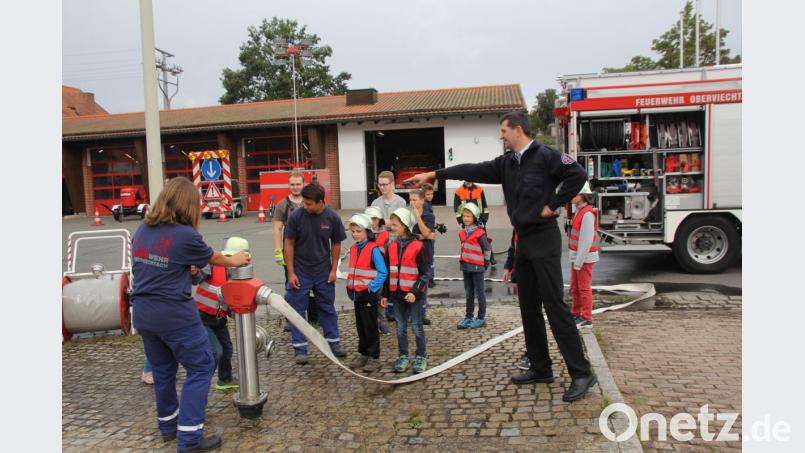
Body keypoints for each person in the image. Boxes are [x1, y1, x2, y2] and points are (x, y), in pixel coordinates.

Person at [403, 111, 597, 403]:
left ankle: (582, 373)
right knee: (528, 307)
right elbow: (472, 169)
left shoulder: (546, 155)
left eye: (504, 131)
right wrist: (434, 175)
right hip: (523, 241)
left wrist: (553, 204)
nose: (501, 135)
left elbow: (578, 175)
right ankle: (541, 367)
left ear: (518, 130)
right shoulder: (506, 163)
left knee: (555, 307)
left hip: (544, 239)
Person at [131, 177, 250, 452]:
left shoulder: (142, 229)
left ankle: (168, 427)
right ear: (189, 206)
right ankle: (189, 438)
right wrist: (235, 259)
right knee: (201, 367)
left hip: (144, 314)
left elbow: (145, 269)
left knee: (163, 371)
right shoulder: (185, 234)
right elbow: (215, 257)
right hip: (174, 314)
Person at [284, 183, 348, 364]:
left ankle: (333, 344)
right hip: (300, 271)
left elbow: (336, 244)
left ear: (321, 202)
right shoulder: (296, 216)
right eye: (304, 202)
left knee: (327, 307)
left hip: (323, 271)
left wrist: (334, 269)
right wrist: (291, 273)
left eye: (309, 203)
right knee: (297, 310)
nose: (305, 206)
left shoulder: (332, 218)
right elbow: (288, 244)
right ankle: (300, 349)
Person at [381, 208, 429, 374]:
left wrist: (414, 292)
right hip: (397, 295)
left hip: (414, 296)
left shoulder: (418, 247)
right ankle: (403, 355)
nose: (392, 228)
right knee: (400, 327)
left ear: (405, 226)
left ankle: (421, 356)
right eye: (392, 224)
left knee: (416, 326)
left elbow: (425, 275)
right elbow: (388, 272)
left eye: (395, 225)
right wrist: (385, 295)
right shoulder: (391, 246)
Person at [272, 171, 318, 327]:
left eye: (298, 184)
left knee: (313, 286)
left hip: (311, 252)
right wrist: (278, 251)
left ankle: (314, 318)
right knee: (292, 285)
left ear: (303, 184)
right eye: (292, 184)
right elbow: (277, 229)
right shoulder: (282, 205)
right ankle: (293, 320)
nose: (295, 187)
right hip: (291, 253)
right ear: (288, 185)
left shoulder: (311, 201)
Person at [344, 213, 388, 373]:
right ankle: (363, 354)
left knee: (370, 326)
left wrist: (372, 287)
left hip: (367, 294)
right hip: (356, 294)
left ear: (366, 231)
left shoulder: (373, 249)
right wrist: (350, 285)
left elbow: (383, 272)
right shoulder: (355, 248)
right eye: (353, 231)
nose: (355, 234)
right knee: (361, 326)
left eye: (358, 231)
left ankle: (374, 357)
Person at [191, 253, 241, 391]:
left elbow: (230, 304)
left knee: (227, 350)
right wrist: (195, 272)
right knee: (215, 352)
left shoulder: (237, 277)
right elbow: (197, 278)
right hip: (201, 319)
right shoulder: (212, 267)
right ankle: (200, 385)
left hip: (219, 321)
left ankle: (225, 379)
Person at [568, 182, 600, 329]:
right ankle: (576, 313)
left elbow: (585, 242)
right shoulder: (580, 211)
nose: (571, 196)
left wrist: (579, 262)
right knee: (575, 287)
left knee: (583, 288)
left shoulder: (587, 214)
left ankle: (586, 317)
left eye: (573, 193)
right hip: (578, 258)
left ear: (581, 196)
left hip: (584, 259)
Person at [456, 202, 491, 329]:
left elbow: (487, 249)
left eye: (468, 216)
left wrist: (486, 263)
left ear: (474, 218)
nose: (465, 218)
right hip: (466, 267)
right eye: (464, 216)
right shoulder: (462, 233)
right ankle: (468, 317)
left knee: (480, 293)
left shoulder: (480, 233)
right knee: (469, 293)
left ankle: (481, 318)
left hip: (477, 267)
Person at [502, 230, 530, 371]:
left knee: (532, 317)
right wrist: (508, 267)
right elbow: (513, 248)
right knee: (526, 317)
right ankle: (531, 351)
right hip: (521, 276)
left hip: (533, 276)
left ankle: (534, 355)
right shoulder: (517, 225)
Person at [408, 189, 434, 325]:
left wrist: (418, 217)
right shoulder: (407, 214)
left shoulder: (429, 216)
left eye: (415, 200)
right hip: (410, 255)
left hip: (424, 254)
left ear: (422, 200)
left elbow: (426, 232)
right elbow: (406, 234)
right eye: (410, 200)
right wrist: (422, 236)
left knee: (422, 284)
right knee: (410, 283)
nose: (412, 203)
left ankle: (422, 314)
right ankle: (410, 313)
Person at [364, 206, 391, 335]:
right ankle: (371, 323)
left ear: (379, 220)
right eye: (370, 218)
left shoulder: (384, 234)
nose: (372, 221)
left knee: (381, 299)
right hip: (367, 272)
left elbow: (386, 252)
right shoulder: (364, 233)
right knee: (369, 299)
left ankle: (382, 322)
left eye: (375, 218)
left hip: (380, 271)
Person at [421, 183, 438, 288]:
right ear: (423, 195)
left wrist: (437, 225)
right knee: (429, 257)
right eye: (427, 194)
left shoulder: (428, 204)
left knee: (427, 257)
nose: (430, 196)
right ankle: (430, 279)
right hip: (428, 235)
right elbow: (427, 220)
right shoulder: (425, 205)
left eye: (431, 194)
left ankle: (427, 277)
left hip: (429, 233)